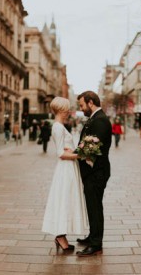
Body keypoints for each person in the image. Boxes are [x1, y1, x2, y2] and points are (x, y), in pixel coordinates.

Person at [41, 97, 88, 253]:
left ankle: (62, 236)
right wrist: (80, 155)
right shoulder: (58, 127)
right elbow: (60, 153)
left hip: (68, 167)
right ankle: (60, 236)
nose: (69, 111)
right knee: (64, 199)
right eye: (67, 109)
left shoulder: (59, 126)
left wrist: (74, 152)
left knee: (66, 200)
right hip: (65, 167)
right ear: (61, 109)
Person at [75, 91, 112, 257]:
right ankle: (93, 236)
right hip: (93, 171)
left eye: (82, 105)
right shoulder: (95, 119)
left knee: (95, 207)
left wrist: (73, 154)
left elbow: (91, 148)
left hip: (96, 172)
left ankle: (96, 244)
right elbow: (85, 144)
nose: (81, 109)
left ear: (90, 102)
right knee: (92, 206)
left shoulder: (101, 120)